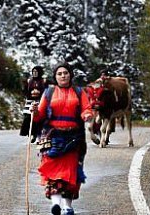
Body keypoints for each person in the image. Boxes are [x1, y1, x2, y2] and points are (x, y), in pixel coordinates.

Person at [30, 62, 92, 215]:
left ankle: (67, 207)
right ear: (55, 77)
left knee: (71, 174)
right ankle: (56, 205)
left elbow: (86, 108)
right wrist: (34, 112)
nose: (63, 75)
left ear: (70, 75)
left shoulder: (79, 92)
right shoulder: (48, 93)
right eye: (59, 73)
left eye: (65, 73)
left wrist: (87, 115)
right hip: (53, 137)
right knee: (53, 172)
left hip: (73, 138)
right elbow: (40, 115)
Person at [20, 66, 48, 143]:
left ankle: (37, 135)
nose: (35, 74)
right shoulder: (30, 81)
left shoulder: (43, 81)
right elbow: (25, 91)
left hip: (40, 101)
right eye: (33, 72)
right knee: (28, 118)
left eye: (36, 72)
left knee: (38, 119)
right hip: (30, 101)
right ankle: (30, 134)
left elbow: (46, 91)